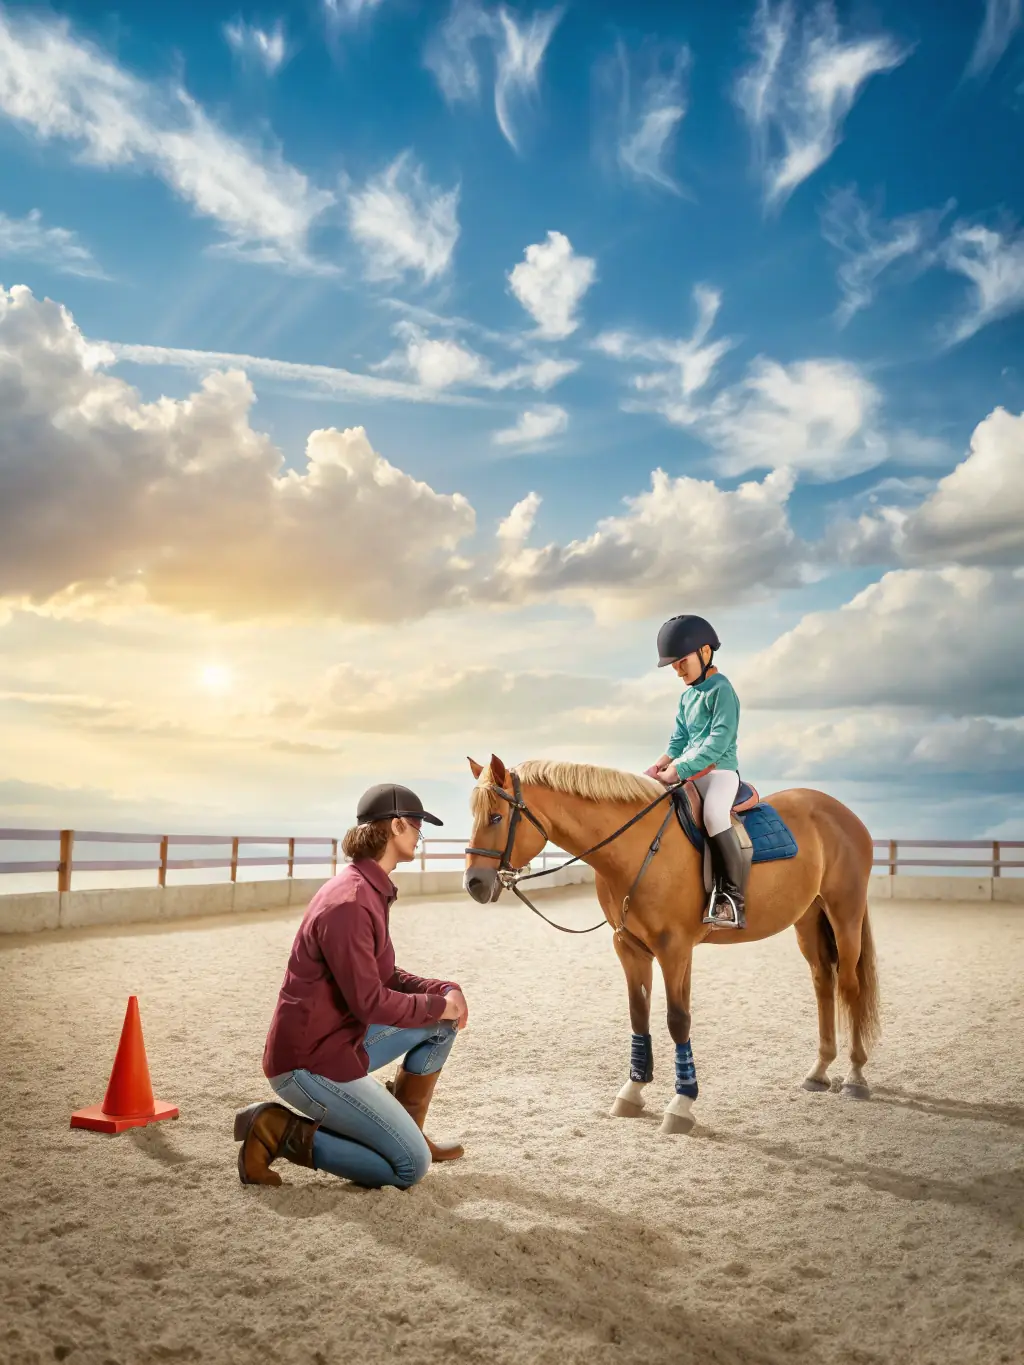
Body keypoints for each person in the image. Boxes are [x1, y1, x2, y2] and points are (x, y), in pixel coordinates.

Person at [233, 782, 469, 1189]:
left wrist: (444, 991)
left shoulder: (370, 888)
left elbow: (387, 975)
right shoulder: (352, 902)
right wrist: (435, 1005)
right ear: (396, 827)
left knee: (441, 1024)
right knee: (410, 1167)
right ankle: (277, 1129)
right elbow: (370, 1001)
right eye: (416, 826)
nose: (419, 835)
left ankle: (404, 1129)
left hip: (341, 1041)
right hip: (308, 1063)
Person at [645, 615, 747, 930]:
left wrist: (678, 769)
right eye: (673, 664)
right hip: (687, 774)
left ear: (704, 652)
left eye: (681, 661)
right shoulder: (687, 696)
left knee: (715, 816)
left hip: (719, 773)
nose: (677, 669)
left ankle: (732, 898)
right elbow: (679, 740)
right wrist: (659, 765)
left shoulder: (722, 690)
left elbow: (717, 743)